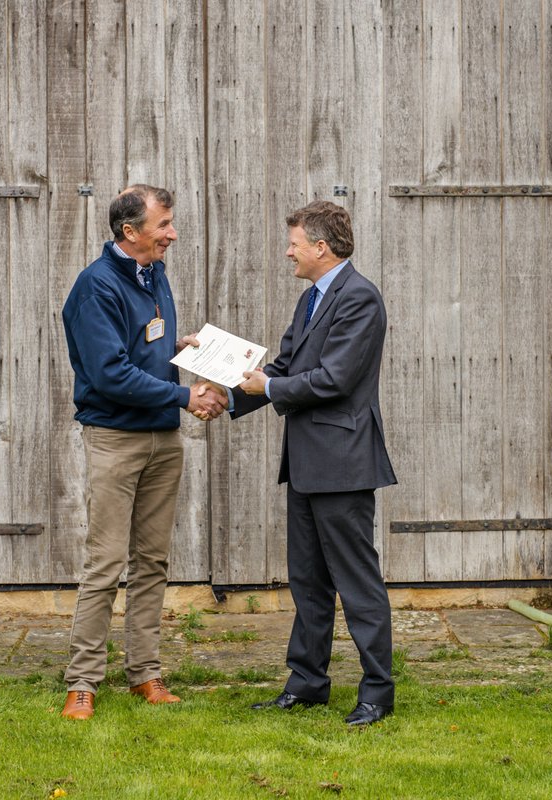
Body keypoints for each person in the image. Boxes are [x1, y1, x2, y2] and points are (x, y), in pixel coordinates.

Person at [59, 184, 226, 720]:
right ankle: (82, 681)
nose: (172, 234)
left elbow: (138, 346)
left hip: (162, 438)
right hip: (115, 439)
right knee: (105, 564)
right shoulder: (95, 287)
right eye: (163, 226)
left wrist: (176, 347)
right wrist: (185, 395)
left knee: (152, 561)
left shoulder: (153, 273)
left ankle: (145, 675)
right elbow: (109, 374)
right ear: (129, 232)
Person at [229, 200, 397, 727]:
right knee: (307, 582)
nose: (289, 252)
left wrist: (270, 386)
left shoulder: (360, 298)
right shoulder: (310, 300)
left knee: (357, 583)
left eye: (295, 244)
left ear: (321, 247)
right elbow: (281, 367)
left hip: (343, 464)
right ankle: (307, 684)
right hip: (304, 463)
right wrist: (221, 378)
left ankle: (377, 692)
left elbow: (335, 379)